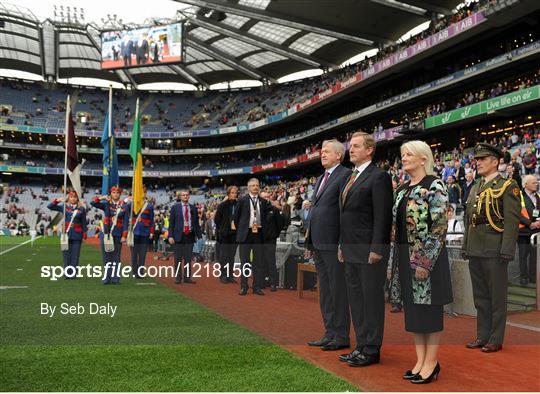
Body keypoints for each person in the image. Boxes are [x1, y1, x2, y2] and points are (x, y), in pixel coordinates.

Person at [390, 140, 453, 384]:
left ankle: (432, 362)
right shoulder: (403, 188)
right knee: (414, 313)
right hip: (404, 258)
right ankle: (420, 360)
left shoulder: (435, 185)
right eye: (402, 155)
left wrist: (424, 262)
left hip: (428, 260)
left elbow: (439, 228)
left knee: (430, 312)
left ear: (423, 158)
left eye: (408, 154)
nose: (403, 158)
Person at [338, 131, 393, 367]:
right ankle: (360, 345)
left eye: (357, 146)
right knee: (356, 300)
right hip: (350, 249)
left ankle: (371, 349)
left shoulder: (378, 176)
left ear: (370, 150)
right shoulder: (351, 176)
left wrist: (377, 248)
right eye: (351, 146)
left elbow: (382, 217)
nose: (351, 149)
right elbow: (346, 216)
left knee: (371, 300)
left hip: (370, 251)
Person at [463, 143, 521, 353]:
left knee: (496, 297)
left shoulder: (507, 185)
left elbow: (512, 222)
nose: (477, 162)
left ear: (495, 161)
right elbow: (469, 219)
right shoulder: (476, 186)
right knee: (480, 297)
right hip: (476, 249)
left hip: (495, 249)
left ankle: (495, 338)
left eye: (482, 159)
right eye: (476, 159)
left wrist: (507, 250)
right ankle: (482, 335)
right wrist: (465, 246)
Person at [305, 139, 352, 351]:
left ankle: (341, 335)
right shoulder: (320, 178)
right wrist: (309, 240)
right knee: (325, 291)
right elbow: (315, 211)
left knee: (337, 290)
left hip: (334, 243)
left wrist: (343, 242)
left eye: (326, 151)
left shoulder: (345, 175)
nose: (322, 154)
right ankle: (329, 332)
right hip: (318, 243)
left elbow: (345, 211)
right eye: (321, 151)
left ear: (338, 156)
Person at [234, 178, 269, 296]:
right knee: (245, 262)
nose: (255, 187)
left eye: (257, 185)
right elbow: (236, 218)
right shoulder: (242, 200)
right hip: (246, 234)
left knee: (258, 262)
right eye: (253, 185)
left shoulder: (263, 202)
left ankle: (257, 287)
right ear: (248, 187)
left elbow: (265, 219)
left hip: (258, 234)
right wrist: (243, 229)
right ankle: (244, 286)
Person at [90, 186, 128, 285]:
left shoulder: (124, 206)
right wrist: (102, 198)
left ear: (120, 194)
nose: (115, 194)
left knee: (116, 257)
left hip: (118, 233)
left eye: (117, 193)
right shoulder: (107, 204)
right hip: (106, 233)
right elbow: (93, 203)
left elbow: (125, 222)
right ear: (111, 194)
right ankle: (106, 278)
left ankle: (115, 279)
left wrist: (124, 235)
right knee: (106, 256)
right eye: (113, 192)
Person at [47, 191, 87, 279]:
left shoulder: (81, 209)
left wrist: (84, 234)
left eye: (75, 197)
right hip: (66, 234)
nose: (73, 199)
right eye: (71, 197)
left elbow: (84, 222)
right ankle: (67, 273)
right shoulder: (64, 207)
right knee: (66, 254)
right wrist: (58, 200)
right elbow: (50, 206)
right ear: (68, 198)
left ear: (77, 199)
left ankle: (73, 274)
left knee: (75, 255)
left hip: (77, 234)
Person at [168, 190, 202, 284]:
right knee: (178, 258)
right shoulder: (175, 208)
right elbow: (171, 223)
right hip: (178, 235)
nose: (185, 196)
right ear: (180, 197)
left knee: (188, 258)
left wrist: (199, 235)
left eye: (187, 195)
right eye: (183, 195)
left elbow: (196, 223)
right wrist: (170, 236)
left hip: (190, 235)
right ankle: (178, 277)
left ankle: (187, 278)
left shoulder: (193, 208)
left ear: (189, 196)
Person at [124, 185, 154, 279]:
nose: (142, 194)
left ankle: (140, 272)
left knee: (142, 254)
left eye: (143, 192)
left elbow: (152, 220)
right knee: (134, 254)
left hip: (144, 233)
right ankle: (134, 271)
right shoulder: (131, 204)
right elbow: (123, 209)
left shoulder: (149, 206)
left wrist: (151, 231)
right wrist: (127, 200)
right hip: (134, 232)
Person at [260, 191, 285, 292]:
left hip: (270, 240)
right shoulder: (257, 211)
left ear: (269, 198)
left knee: (271, 261)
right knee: (260, 262)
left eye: (267, 197)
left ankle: (273, 283)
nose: (265, 198)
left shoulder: (274, 210)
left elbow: (280, 224)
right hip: (260, 240)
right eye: (263, 197)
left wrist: (274, 234)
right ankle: (261, 282)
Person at [517, 174, 539, 285]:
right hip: (523, 232)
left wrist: (538, 223)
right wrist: (530, 224)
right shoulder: (518, 196)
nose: (536, 184)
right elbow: (516, 213)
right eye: (534, 182)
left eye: (536, 182)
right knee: (523, 255)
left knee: (534, 255)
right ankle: (523, 277)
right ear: (526, 184)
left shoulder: (538, 196)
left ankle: (533, 276)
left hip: (535, 231)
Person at [215, 186, 239, 284]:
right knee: (224, 256)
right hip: (224, 235)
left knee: (231, 256)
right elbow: (217, 219)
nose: (234, 194)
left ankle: (230, 276)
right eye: (232, 193)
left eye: (235, 193)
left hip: (235, 235)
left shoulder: (238, 205)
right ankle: (223, 275)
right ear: (228, 194)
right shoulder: (222, 206)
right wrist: (222, 229)